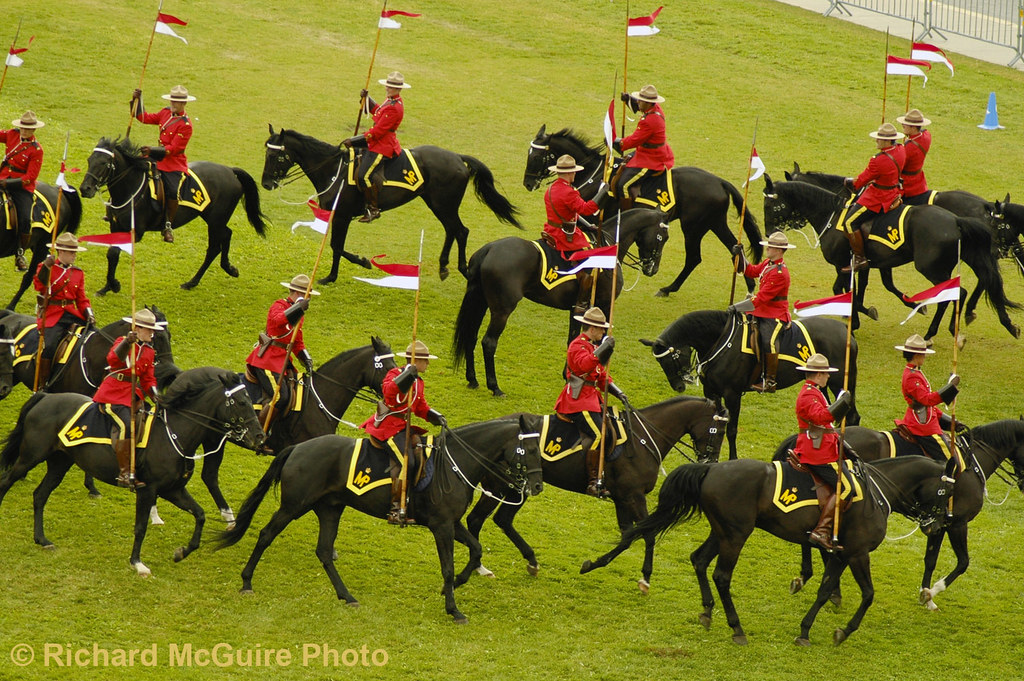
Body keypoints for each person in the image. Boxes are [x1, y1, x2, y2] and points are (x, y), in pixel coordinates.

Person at [361, 339, 446, 524]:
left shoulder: (419, 382)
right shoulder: (394, 374)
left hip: (403, 427)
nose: (428, 364)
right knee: (406, 458)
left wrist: (434, 416)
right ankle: (395, 509)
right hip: (387, 427)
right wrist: (406, 375)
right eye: (425, 360)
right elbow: (390, 393)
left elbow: (420, 406)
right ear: (416, 361)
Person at [554, 306, 629, 498]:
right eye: (601, 329)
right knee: (599, 435)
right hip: (578, 401)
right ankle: (593, 482)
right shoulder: (577, 346)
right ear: (592, 329)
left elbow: (601, 376)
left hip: (591, 398)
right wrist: (603, 349)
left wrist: (618, 392)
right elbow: (584, 365)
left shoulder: (591, 347)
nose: (603, 332)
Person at [92, 308, 163, 489]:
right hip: (112, 393)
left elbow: (148, 379)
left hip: (132, 395)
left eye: (153, 330)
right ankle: (124, 473)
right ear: (137, 329)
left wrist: (156, 397)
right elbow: (113, 360)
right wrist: (127, 343)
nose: (152, 334)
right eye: (149, 330)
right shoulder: (122, 342)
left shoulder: (149, 352)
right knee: (126, 425)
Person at [245, 274, 317, 439]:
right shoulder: (279, 305)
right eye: (307, 296)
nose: (309, 300)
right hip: (268, 360)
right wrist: (297, 308)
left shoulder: (299, 314)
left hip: (283, 361)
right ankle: (257, 433)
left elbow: (297, 341)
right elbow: (278, 321)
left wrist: (307, 360)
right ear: (298, 294)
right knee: (281, 396)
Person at [793, 353, 853, 551]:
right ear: (818, 374)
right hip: (816, 453)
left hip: (825, 447)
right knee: (846, 488)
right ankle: (822, 530)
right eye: (826, 373)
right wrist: (842, 403)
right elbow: (821, 417)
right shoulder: (808, 395)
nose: (828, 377)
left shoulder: (814, 391)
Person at [729, 231, 796, 393]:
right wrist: (739, 255)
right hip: (761, 311)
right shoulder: (768, 263)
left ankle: (770, 381)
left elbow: (760, 299)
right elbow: (751, 271)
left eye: (771, 247)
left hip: (775, 314)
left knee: (768, 341)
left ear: (779, 251)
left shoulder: (780, 273)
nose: (768, 249)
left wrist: (737, 307)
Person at [542, 154, 609, 314]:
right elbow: (587, 209)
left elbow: (570, 213)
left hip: (551, 230)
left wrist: (588, 226)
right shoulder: (569, 192)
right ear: (569, 173)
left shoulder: (551, 188)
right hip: (564, 235)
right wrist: (602, 193)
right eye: (573, 172)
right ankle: (581, 303)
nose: (575, 174)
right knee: (589, 262)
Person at [342, 71, 410, 223]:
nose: (387, 88)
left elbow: (378, 131)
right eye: (387, 86)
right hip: (377, 141)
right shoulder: (390, 101)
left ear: (398, 89)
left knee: (363, 175)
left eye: (390, 87)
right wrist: (367, 99)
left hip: (383, 146)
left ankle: (373, 208)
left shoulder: (395, 107)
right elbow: (379, 111)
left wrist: (355, 140)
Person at [130, 84, 195, 243]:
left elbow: (173, 149)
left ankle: (167, 225)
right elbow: (143, 117)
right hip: (156, 157)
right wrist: (136, 100)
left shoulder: (186, 125)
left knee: (172, 191)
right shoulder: (165, 113)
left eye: (176, 102)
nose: (173, 104)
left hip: (173, 163)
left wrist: (152, 150)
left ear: (184, 104)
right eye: (172, 100)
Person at [842, 122, 906, 272]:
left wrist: (849, 181)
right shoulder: (901, 149)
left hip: (878, 197)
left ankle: (860, 258)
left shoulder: (878, 160)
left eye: (879, 138)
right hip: (893, 191)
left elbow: (861, 181)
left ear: (887, 141)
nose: (876, 141)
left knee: (850, 222)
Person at [32, 232, 94, 385]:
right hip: (52, 314)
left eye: (75, 252)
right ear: (61, 251)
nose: (74, 256)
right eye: (72, 252)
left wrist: (89, 313)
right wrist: (47, 267)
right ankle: (43, 382)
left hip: (71, 313)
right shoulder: (47, 267)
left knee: (92, 335)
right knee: (50, 345)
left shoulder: (78, 273)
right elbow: (39, 286)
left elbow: (81, 299)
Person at [893, 334, 961, 462]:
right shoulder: (912, 376)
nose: (924, 357)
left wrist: (952, 422)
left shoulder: (915, 372)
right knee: (950, 458)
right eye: (923, 354)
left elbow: (930, 407)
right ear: (916, 355)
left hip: (926, 417)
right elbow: (927, 400)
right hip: (922, 425)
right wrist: (949, 389)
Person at [612, 84, 674, 210]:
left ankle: (626, 215)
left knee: (623, 185)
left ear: (649, 103)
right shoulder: (655, 109)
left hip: (651, 158)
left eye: (641, 100)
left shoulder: (649, 121)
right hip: (648, 151)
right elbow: (639, 106)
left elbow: (634, 140)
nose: (638, 102)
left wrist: (618, 143)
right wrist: (629, 99)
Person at [1, 111, 45, 271]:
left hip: (21, 187)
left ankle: (20, 251)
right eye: (22, 128)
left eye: (28, 129)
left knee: (26, 218)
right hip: (2, 178)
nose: (24, 131)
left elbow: (30, 177)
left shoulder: (36, 150)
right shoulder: (12, 135)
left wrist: (8, 183)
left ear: (33, 130)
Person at [897, 109, 932, 206]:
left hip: (907, 185)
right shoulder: (926, 135)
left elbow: (898, 167)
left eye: (905, 124)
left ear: (913, 127)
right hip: (919, 181)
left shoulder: (909, 147)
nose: (903, 125)